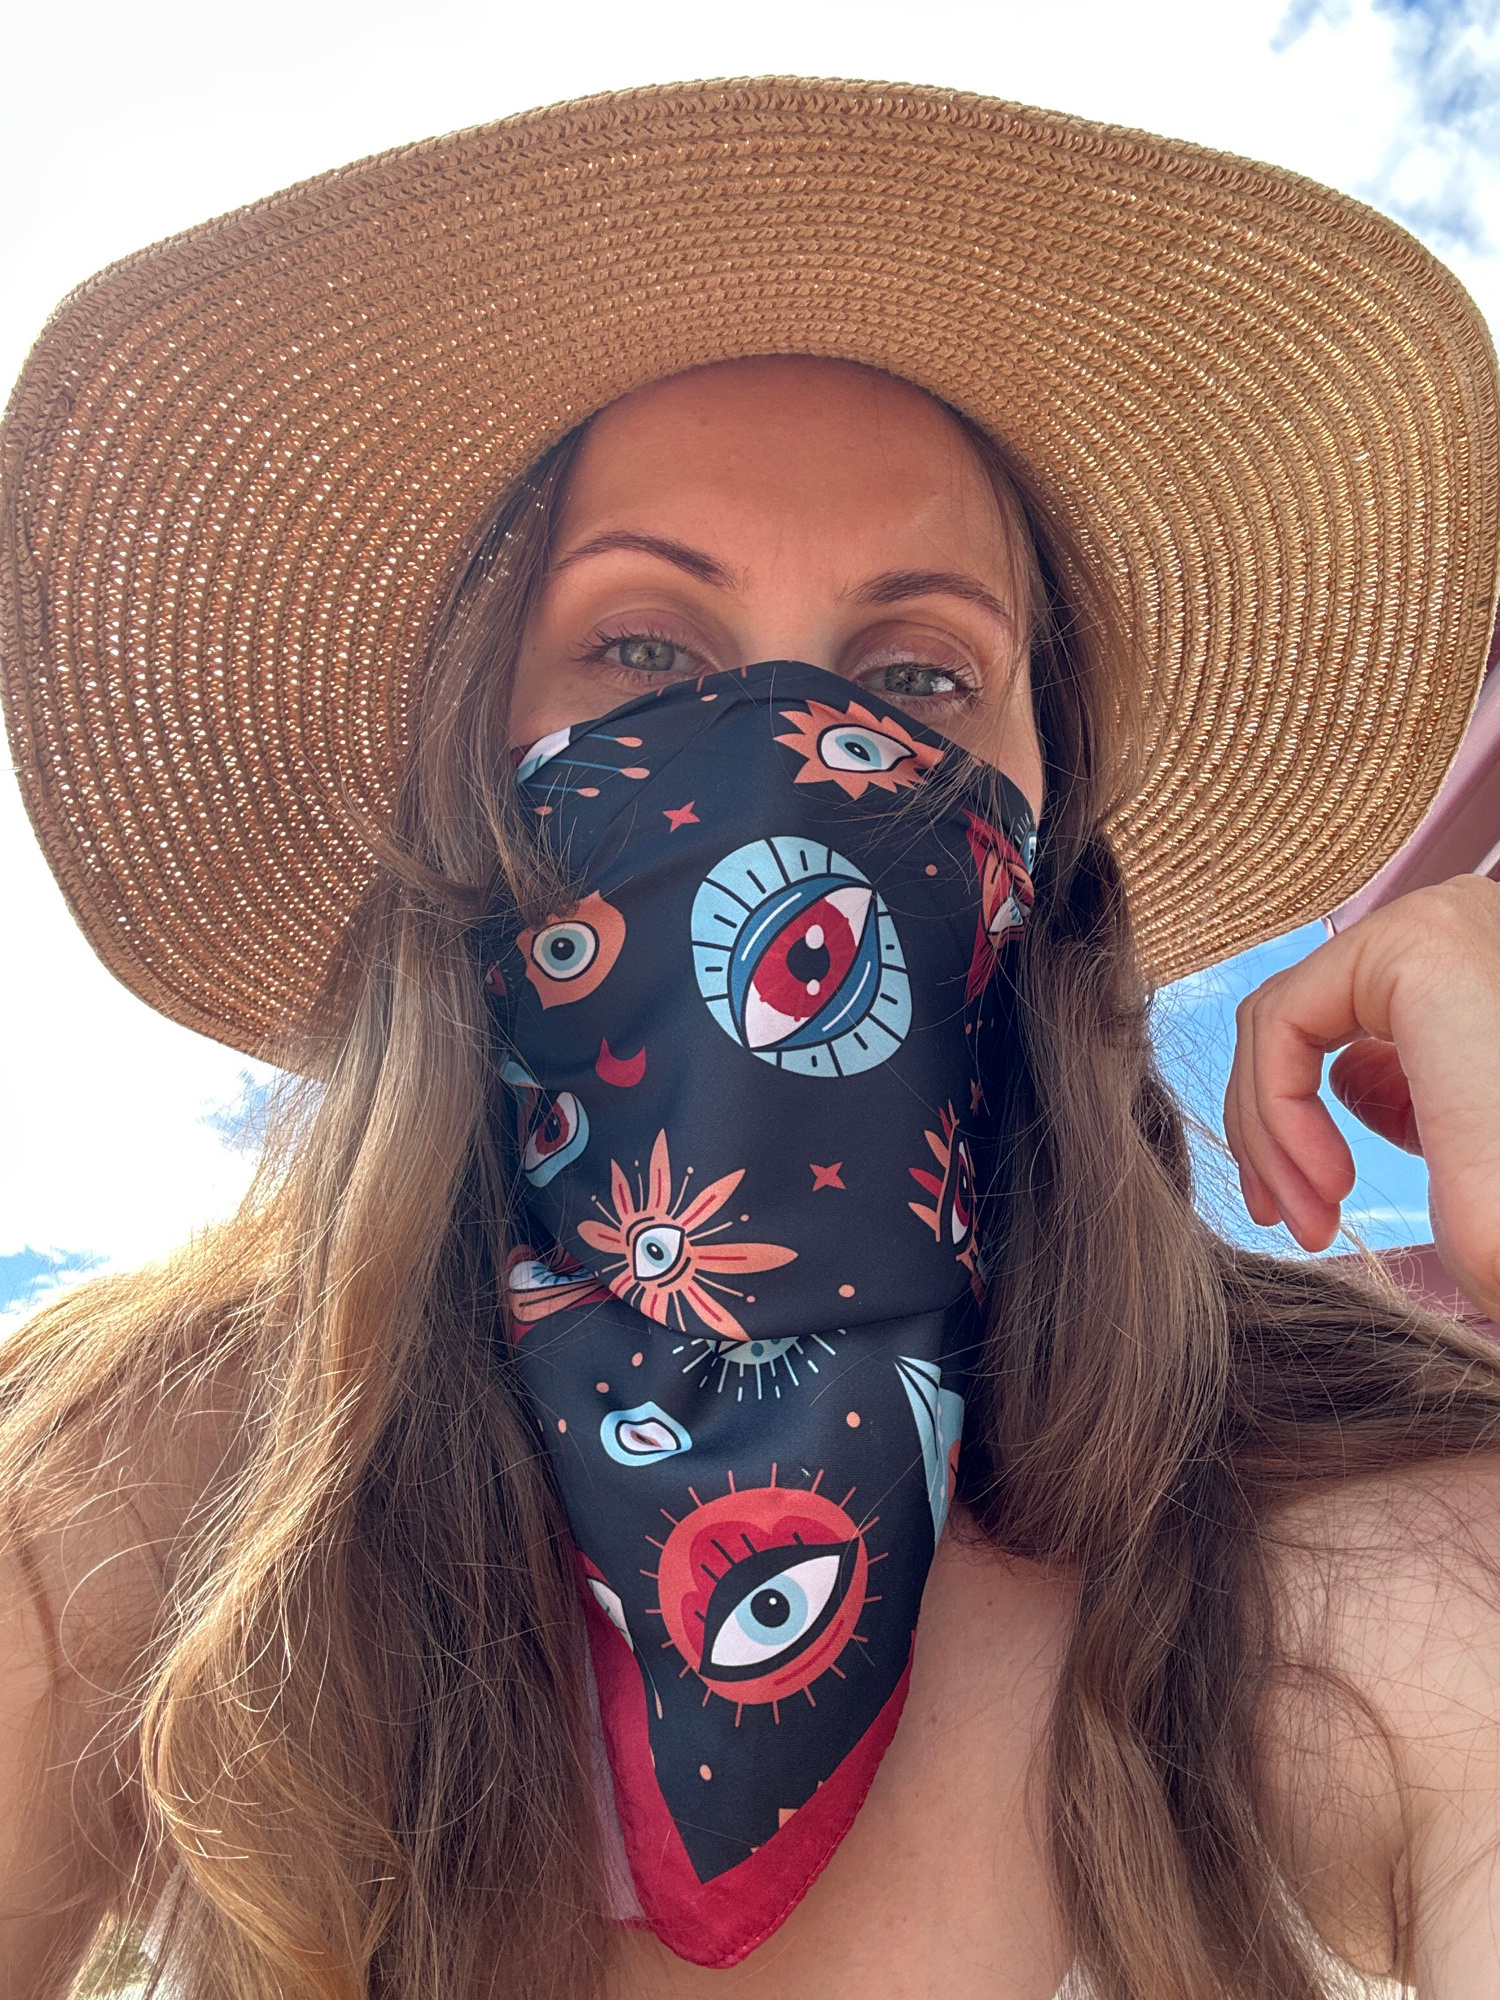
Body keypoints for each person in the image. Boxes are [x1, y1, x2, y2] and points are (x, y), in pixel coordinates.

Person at [2, 79, 1500, 2000]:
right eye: (643, 651)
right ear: (468, 777)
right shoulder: (171, 1483)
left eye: (919, 676)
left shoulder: (1312, 1538)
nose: (802, 757)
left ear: (1049, 834)